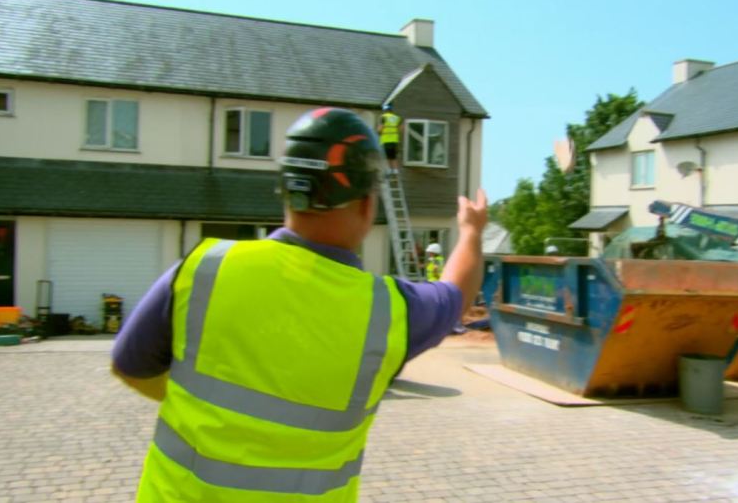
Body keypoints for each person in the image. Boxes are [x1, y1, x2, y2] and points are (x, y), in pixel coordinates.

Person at [111, 107, 488, 501]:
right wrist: (471, 230)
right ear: (365, 204)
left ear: (287, 190)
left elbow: (130, 364)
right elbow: (457, 293)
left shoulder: (205, 267)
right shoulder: (389, 310)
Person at [377, 103, 403, 174]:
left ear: (385, 110)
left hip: (386, 140)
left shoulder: (383, 117)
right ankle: (395, 170)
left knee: (386, 156)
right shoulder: (397, 118)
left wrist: (378, 133)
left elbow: (380, 129)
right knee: (393, 156)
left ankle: (388, 169)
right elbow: (401, 129)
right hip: (394, 140)